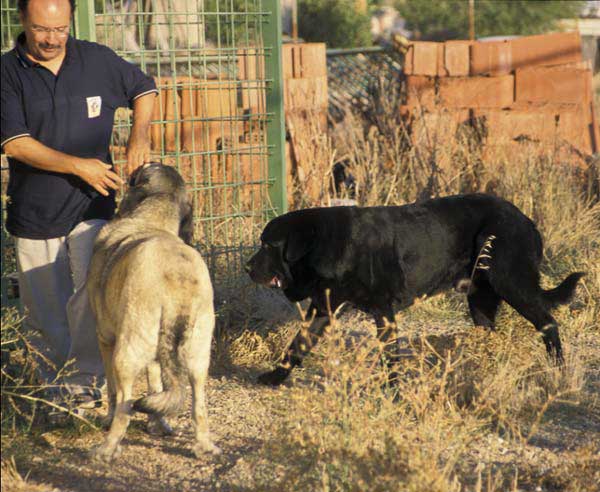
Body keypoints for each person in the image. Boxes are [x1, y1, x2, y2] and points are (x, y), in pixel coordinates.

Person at [0, 0, 158, 416]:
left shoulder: (97, 59)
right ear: (22, 21)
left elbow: (144, 88)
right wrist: (78, 166)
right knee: (45, 308)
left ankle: (85, 384)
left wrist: (138, 136)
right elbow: (15, 143)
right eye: (41, 30)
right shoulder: (6, 73)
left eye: (60, 29)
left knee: (94, 296)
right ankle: (55, 394)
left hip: (95, 205)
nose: (51, 39)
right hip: (35, 210)